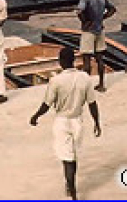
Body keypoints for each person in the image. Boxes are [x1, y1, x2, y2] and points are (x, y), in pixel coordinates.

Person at [29, 46, 102, 201]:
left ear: (61, 62)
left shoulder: (56, 81)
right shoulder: (84, 78)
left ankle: (72, 190)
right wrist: (97, 122)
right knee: (73, 157)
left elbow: (46, 104)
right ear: (74, 61)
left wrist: (35, 116)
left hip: (62, 122)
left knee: (66, 158)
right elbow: (92, 103)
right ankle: (71, 185)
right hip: (78, 121)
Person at [77, 0, 116, 91]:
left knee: (87, 59)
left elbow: (79, 12)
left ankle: (86, 87)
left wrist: (85, 22)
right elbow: (112, 9)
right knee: (100, 58)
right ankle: (101, 84)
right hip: (100, 28)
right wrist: (102, 18)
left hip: (88, 30)